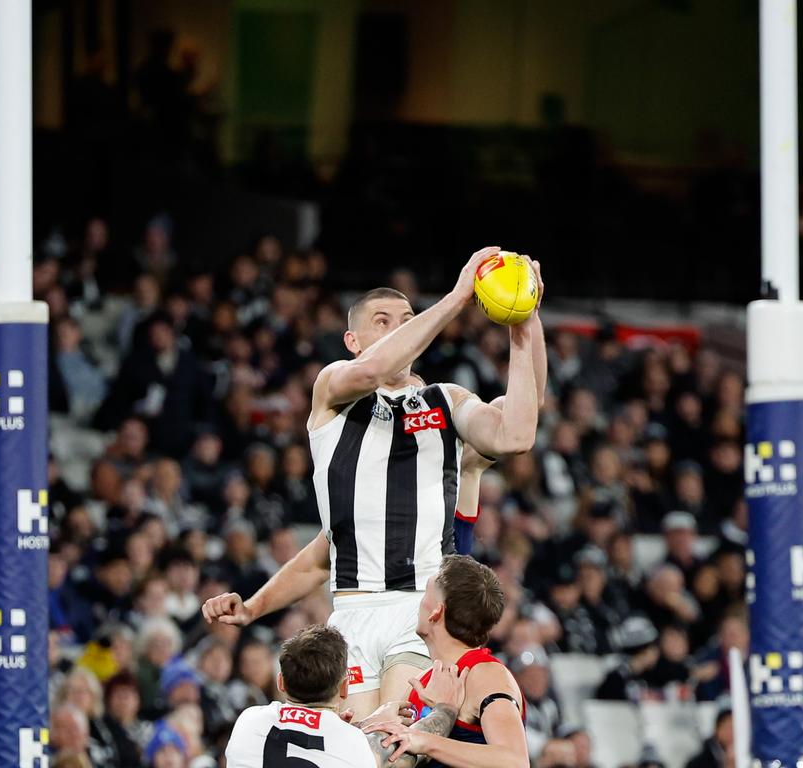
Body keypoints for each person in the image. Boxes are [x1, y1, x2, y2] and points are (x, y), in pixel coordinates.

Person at [203, 247, 546, 717]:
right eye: (383, 321)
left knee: (399, 744)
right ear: (352, 339)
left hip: (422, 608)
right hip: (352, 612)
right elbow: (325, 553)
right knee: (361, 748)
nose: (400, 327)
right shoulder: (333, 392)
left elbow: (518, 432)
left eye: (407, 318)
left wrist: (524, 324)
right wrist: (254, 607)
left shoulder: (445, 400)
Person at [363, 554, 529, 768]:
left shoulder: (486, 675)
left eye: (425, 593)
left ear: (436, 611)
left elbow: (514, 761)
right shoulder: (425, 677)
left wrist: (426, 741)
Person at [224, 624, 465, 768]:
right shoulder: (353, 746)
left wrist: (366, 724)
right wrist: (446, 709)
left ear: (281, 683)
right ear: (344, 688)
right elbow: (408, 747)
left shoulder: (248, 722)